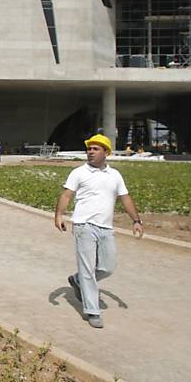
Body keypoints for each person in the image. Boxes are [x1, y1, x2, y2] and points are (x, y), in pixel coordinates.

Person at [54, 133, 144, 329]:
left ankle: (77, 280)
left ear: (106, 152)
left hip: (106, 227)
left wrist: (136, 220)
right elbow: (67, 195)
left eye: (95, 149)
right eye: (89, 149)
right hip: (83, 226)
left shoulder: (115, 175)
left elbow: (125, 198)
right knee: (87, 270)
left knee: (108, 267)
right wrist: (59, 216)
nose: (90, 152)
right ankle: (92, 310)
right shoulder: (79, 173)